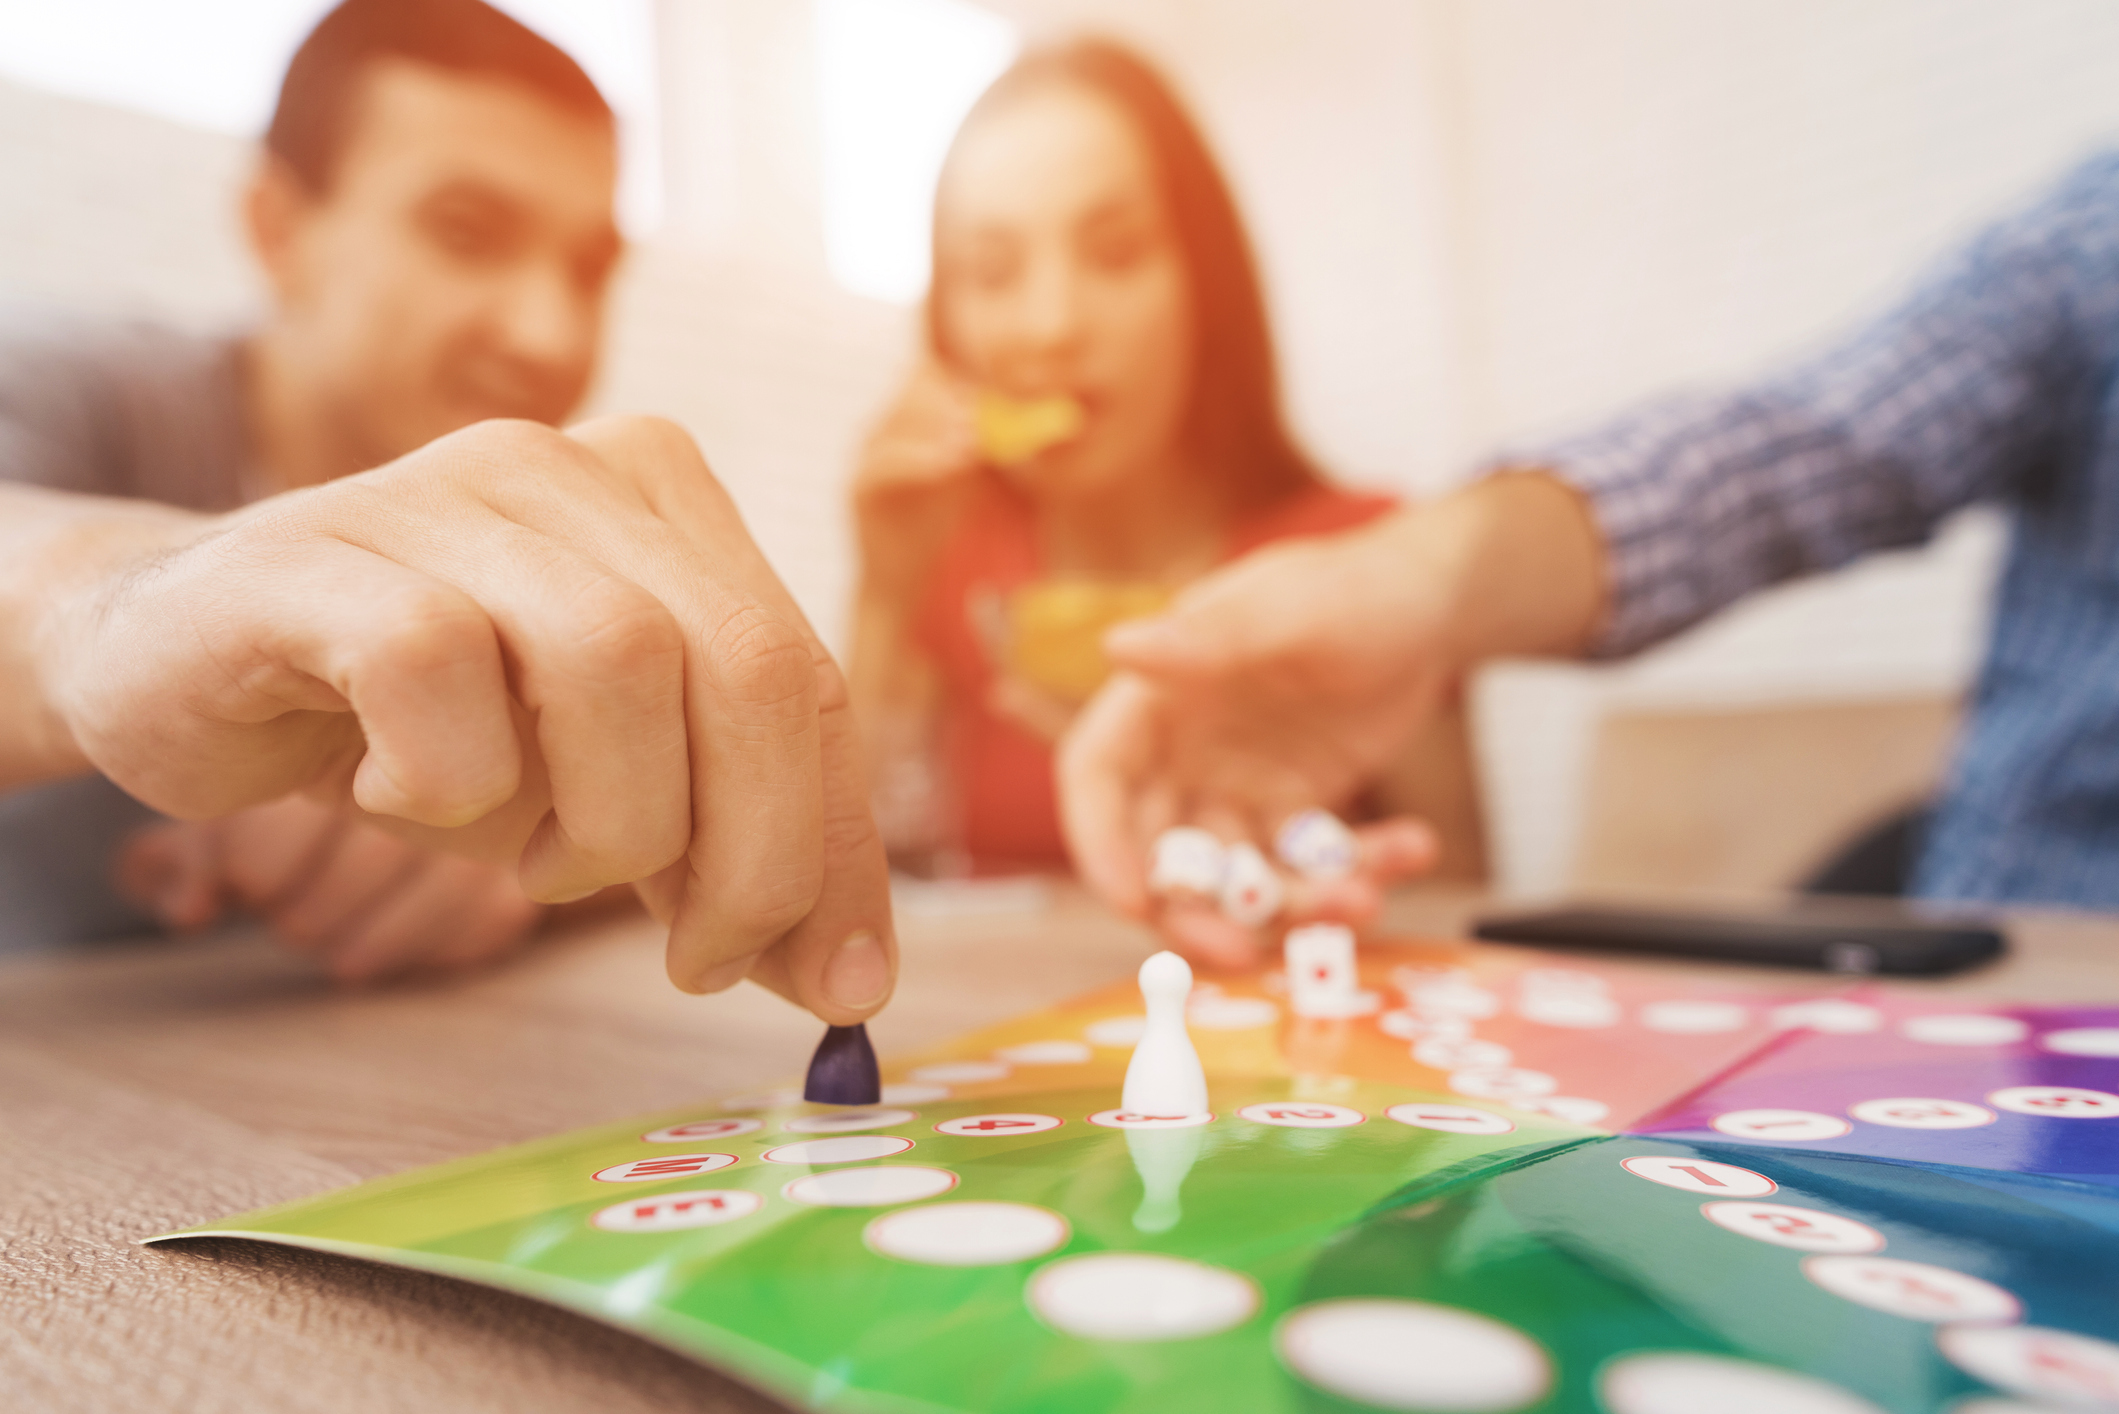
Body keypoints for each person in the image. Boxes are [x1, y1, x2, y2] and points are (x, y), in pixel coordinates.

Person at [1059, 150, 2119, 965]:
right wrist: (1410, 582)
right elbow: (1781, 452)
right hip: (2036, 973)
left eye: (1110, 252)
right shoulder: (2087, 244)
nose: (1053, 322)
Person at [0, 0, 624, 981]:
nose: (551, 334)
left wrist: (547, 848)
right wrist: (126, 606)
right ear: (278, 228)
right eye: (468, 234)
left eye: (589, 270)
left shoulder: (541, 533)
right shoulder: (65, 390)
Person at [848, 41, 1479, 878]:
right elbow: (840, 884)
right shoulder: (953, 577)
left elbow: (1464, 908)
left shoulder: (1365, 560)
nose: (1051, 325)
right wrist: (884, 593)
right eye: (992, 273)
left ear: (1202, 284)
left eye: (1114, 253)